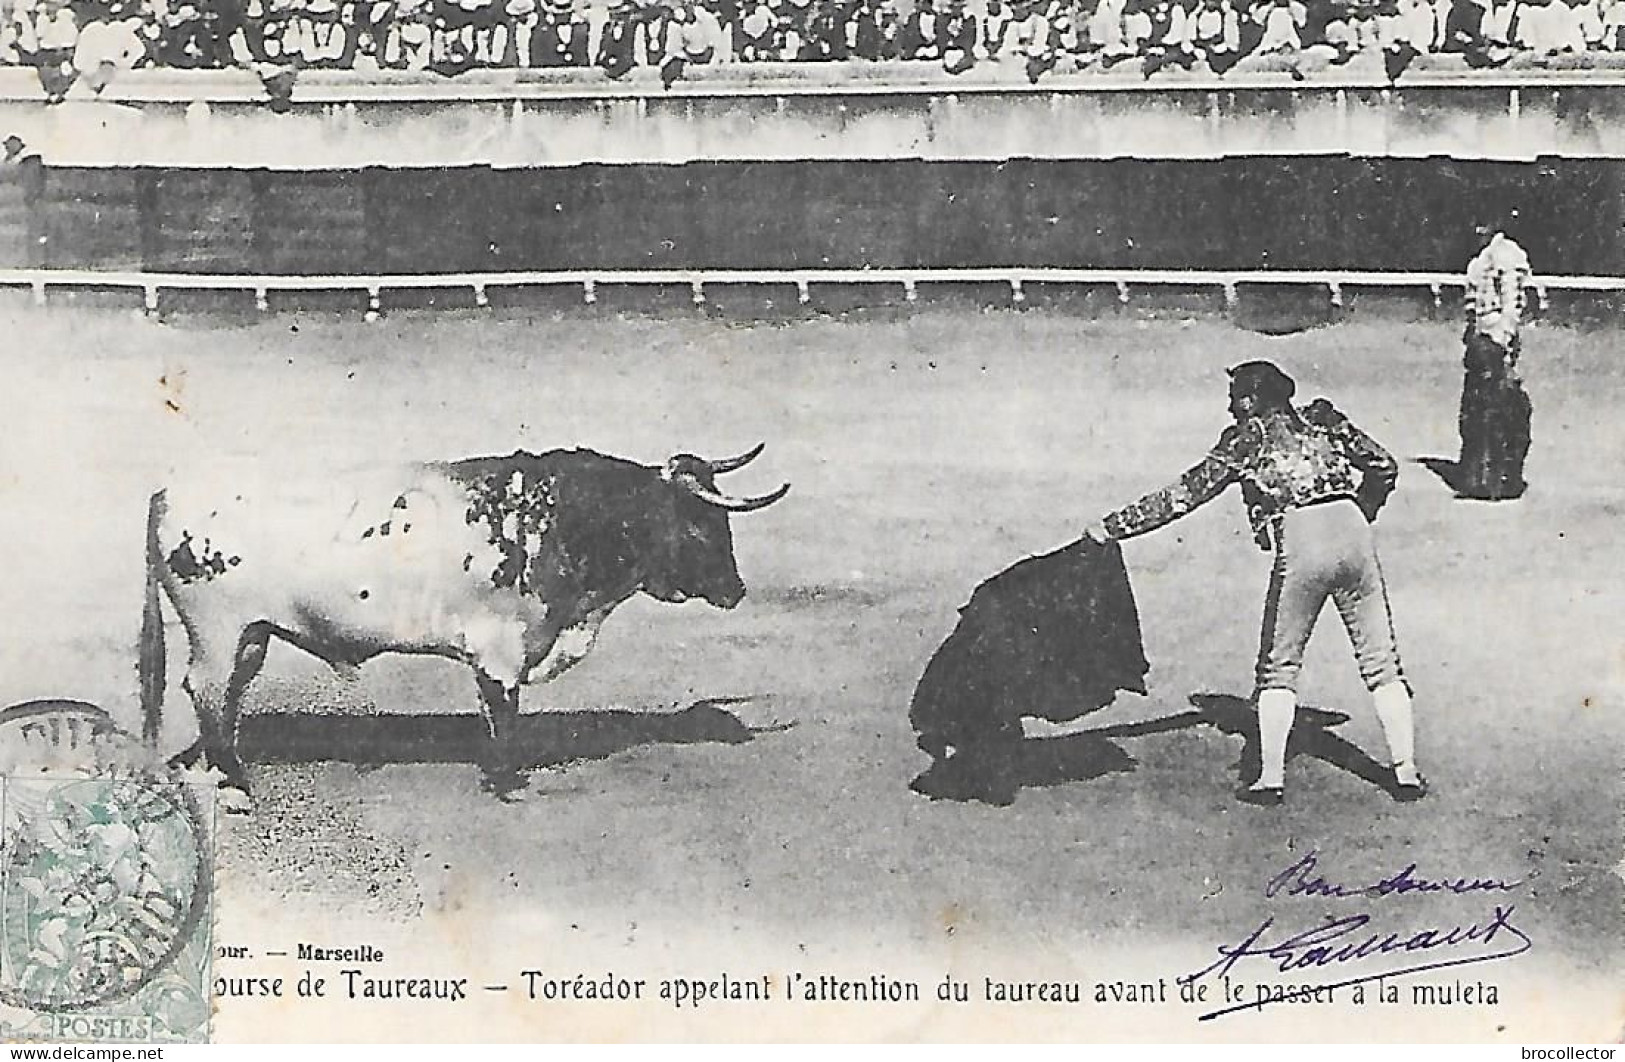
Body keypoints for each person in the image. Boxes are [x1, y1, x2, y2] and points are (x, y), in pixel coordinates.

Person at [1082, 361, 1426, 806]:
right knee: (1381, 660)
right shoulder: (1323, 417)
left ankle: (1270, 777)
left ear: (1249, 400)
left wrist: (1112, 527)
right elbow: (1383, 465)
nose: (1229, 406)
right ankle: (1406, 771)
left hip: (1302, 536)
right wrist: (1363, 510)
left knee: (1279, 665)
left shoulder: (1247, 439)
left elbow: (1183, 495)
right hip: (1354, 532)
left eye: (1233, 397)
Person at [1457, 218, 1532, 500]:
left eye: (1483, 224)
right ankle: (1477, 478)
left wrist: (1503, 339)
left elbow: (1512, 303)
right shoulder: (1482, 256)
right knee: (1475, 411)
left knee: (1497, 412)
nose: (1477, 230)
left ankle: (1498, 481)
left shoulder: (1507, 254)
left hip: (1495, 340)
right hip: (1480, 340)